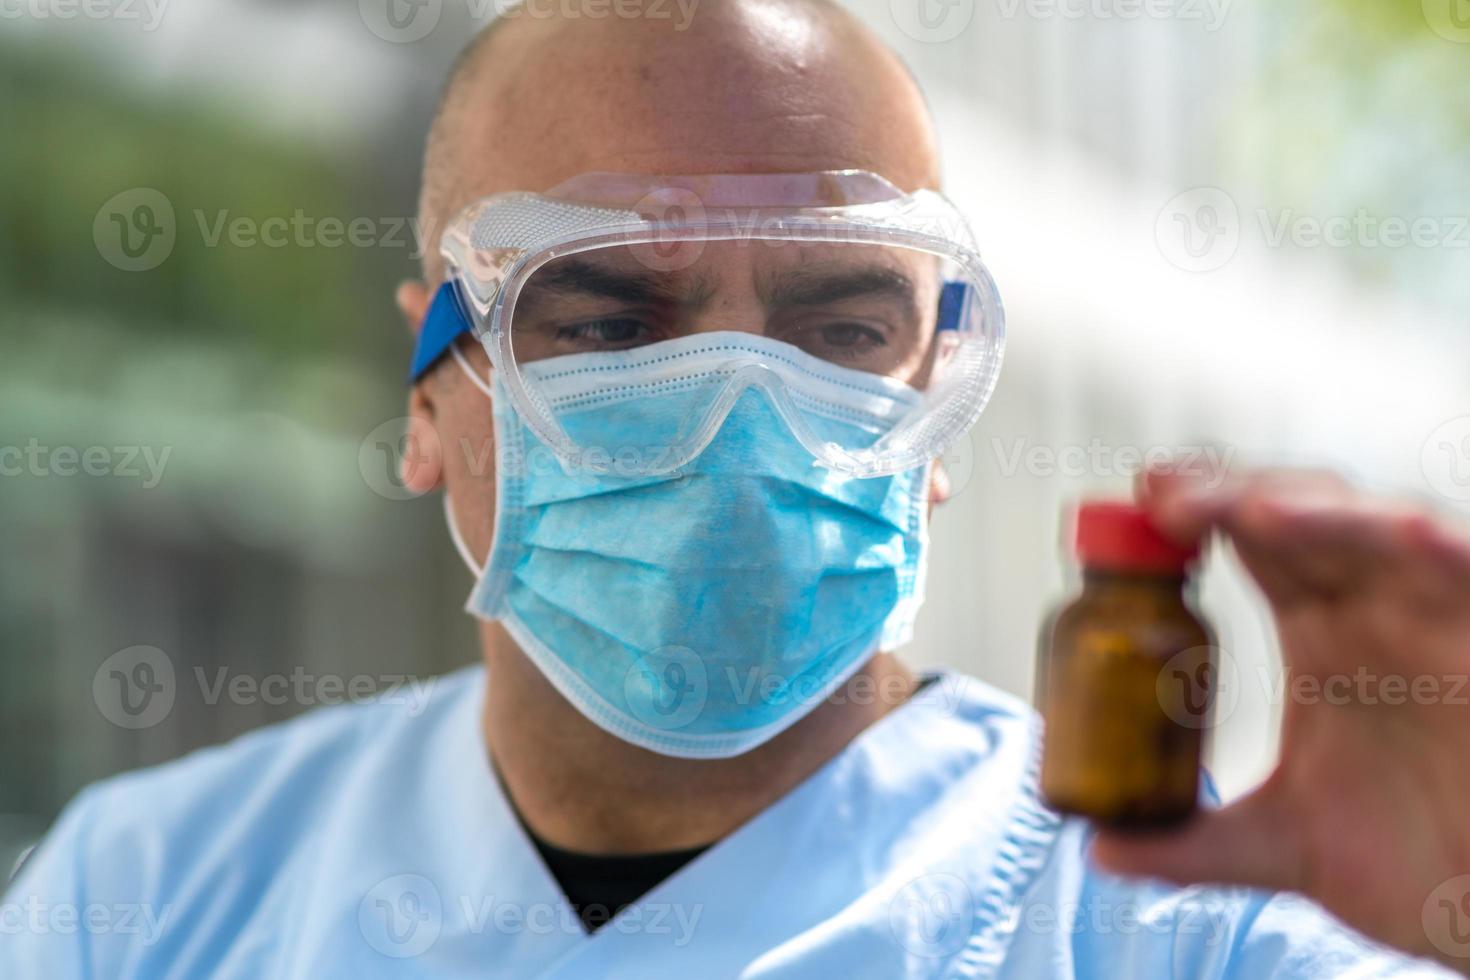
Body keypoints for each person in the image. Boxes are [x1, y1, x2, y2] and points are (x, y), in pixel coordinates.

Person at [6, 1, 1470, 976]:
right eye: (606, 323)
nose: (733, 419)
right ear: (430, 400)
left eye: (842, 329)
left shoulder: (1193, 921)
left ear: (936, 410)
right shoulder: (151, 899)